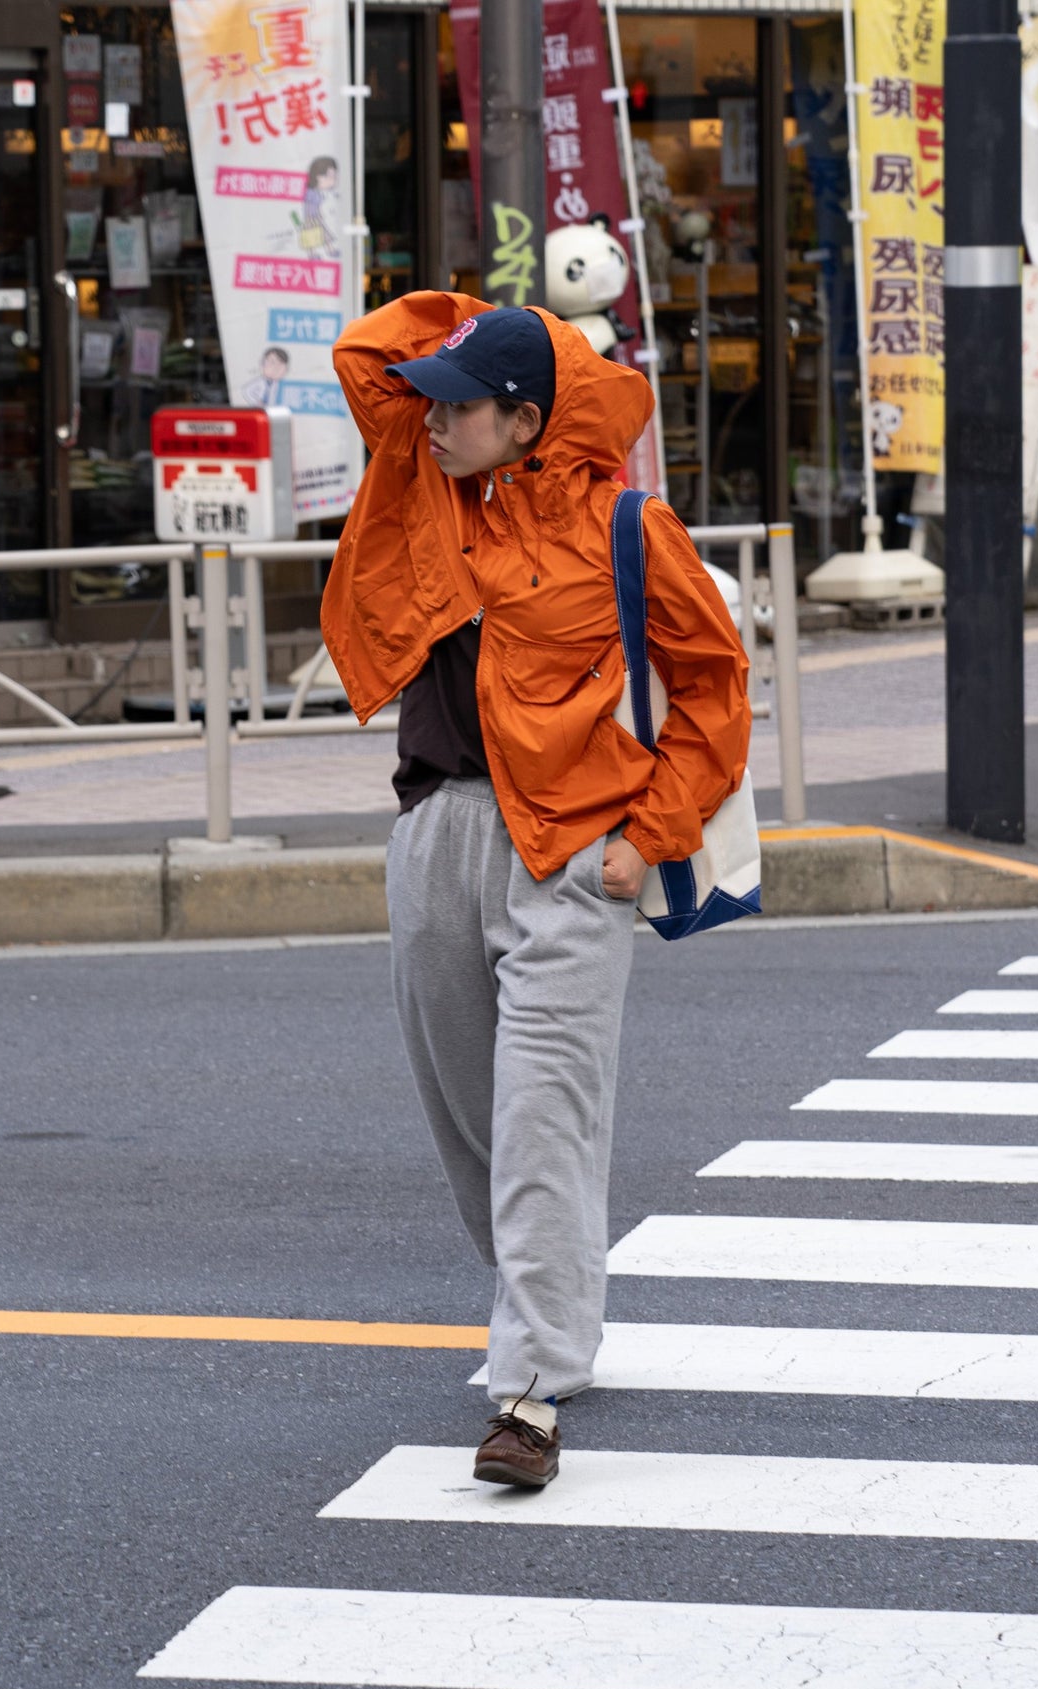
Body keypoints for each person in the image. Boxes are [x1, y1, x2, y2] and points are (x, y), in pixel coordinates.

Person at [322, 295, 750, 1487]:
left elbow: (713, 686)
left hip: (567, 849)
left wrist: (646, 837)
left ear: (525, 418)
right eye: (438, 399)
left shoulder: (623, 522)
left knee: (540, 1124)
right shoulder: (425, 474)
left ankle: (530, 1393)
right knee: (468, 1124)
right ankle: (540, 1303)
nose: (433, 417)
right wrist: (483, 328)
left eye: (463, 402)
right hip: (437, 834)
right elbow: (366, 355)